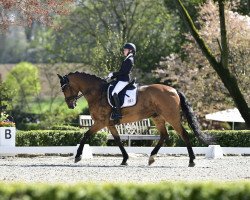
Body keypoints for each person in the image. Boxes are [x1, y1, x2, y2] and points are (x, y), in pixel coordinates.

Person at [107, 43, 136, 121]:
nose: (124, 51)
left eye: (125, 50)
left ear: (130, 51)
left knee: (114, 93)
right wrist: (112, 76)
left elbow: (123, 72)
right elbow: (121, 72)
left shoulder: (129, 60)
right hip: (122, 79)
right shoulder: (127, 59)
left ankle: (118, 113)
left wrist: (113, 74)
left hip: (124, 80)